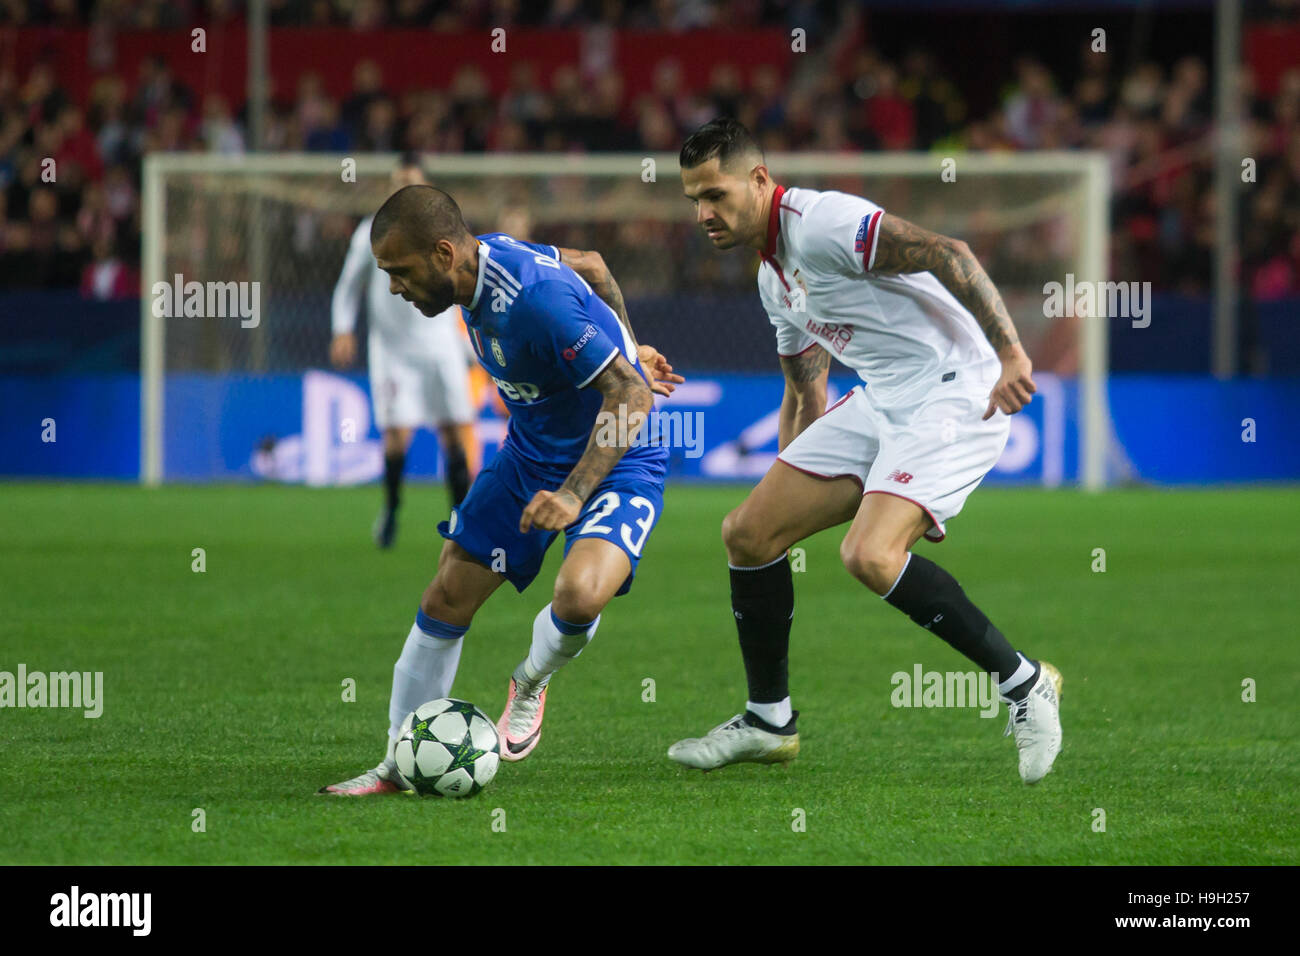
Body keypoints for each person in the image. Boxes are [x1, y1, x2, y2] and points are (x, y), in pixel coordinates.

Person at [669, 118, 1063, 784]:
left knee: (869, 554)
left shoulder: (822, 224)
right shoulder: (773, 281)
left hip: (957, 389)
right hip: (883, 401)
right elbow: (804, 393)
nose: (705, 214)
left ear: (759, 180)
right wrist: (787, 500)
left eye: (716, 195)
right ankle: (769, 720)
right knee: (747, 533)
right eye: (693, 201)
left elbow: (951, 253)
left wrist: (1012, 354)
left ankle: (1026, 685)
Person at [320, 185, 682, 794]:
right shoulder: (479, 261)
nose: (393, 289)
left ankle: (531, 681)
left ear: (442, 253)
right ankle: (396, 763)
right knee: (445, 597)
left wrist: (574, 489)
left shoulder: (534, 300)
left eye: (399, 272)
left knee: (579, 597)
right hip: (529, 457)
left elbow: (633, 395)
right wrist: (621, 341)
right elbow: (591, 264)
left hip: (619, 457)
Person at [330, 156, 475, 547]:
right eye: (397, 182)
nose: (401, 189)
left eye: (410, 182)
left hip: (440, 344)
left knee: (453, 432)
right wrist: (342, 328)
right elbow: (349, 284)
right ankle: (392, 508)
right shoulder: (371, 233)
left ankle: (462, 524)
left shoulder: (443, 232)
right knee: (397, 436)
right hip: (392, 351)